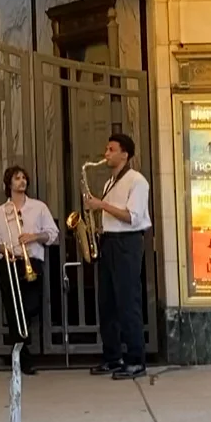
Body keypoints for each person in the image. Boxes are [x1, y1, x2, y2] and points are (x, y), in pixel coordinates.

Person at [84, 132, 152, 379]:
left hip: (127, 243)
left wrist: (100, 205)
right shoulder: (109, 182)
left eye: (111, 149)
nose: (106, 154)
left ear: (125, 154)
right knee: (107, 303)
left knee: (127, 302)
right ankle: (112, 357)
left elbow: (131, 217)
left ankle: (136, 360)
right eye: (106, 149)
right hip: (110, 242)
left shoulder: (137, 181)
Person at [0, 164, 59, 376]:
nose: (22, 181)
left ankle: (21, 345)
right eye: (17, 178)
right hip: (10, 262)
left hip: (32, 262)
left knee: (30, 306)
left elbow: (52, 233)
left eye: (24, 178)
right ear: (8, 183)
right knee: (13, 309)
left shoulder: (39, 207)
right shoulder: (0, 212)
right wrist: (3, 249)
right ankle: (21, 356)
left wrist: (34, 237)